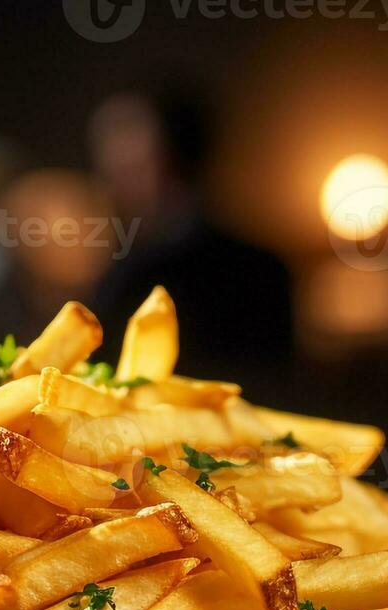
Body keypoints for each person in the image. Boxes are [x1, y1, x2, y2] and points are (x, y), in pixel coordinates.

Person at [87, 84, 294, 394]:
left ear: (174, 158)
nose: (112, 180)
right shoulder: (269, 266)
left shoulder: (134, 279)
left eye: (131, 166)